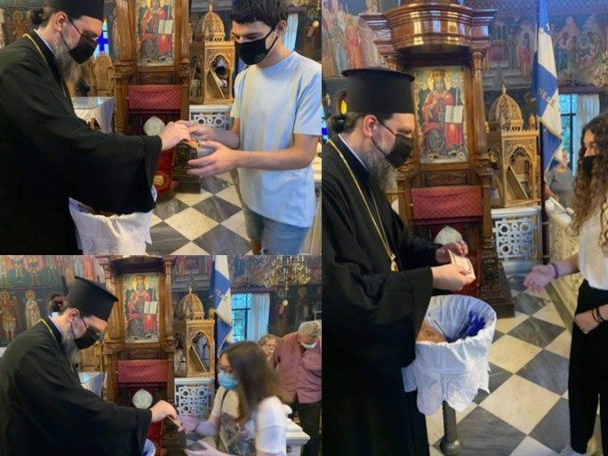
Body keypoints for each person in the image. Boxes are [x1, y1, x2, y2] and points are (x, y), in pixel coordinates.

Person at [321, 68, 475, 455]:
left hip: (386, 345)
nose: (408, 145)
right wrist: (431, 278)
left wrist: (435, 254)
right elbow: (345, 295)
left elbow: (397, 242)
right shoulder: (330, 181)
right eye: (403, 133)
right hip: (359, 370)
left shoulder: (365, 170)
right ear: (371, 125)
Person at [0, 0, 191, 254]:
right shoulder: (17, 69)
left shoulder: (42, 61)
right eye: (88, 36)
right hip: (20, 221)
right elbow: (71, 144)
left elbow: (62, 133)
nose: (91, 47)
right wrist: (157, 142)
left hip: (35, 202)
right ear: (61, 21)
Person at [525, 108, 608, 456]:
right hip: (589, 300)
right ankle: (578, 447)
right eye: (585, 147)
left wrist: (598, 316)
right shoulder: (600, 199)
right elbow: (591, 257)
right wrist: (554, 270)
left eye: (593, 148)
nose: (586, 155)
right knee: (582, 387)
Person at [181, 0, 321, 255]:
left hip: (287, 206)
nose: (243, 44)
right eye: (237, 37)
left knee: (274, 268)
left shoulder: (308, 75)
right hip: (252, 196)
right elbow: (237, 136)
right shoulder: (244, 77)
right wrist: (210, 132)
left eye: (252, 37)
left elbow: (303, 155)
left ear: (280, 28)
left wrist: (236, 159)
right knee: (256, 255)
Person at [0, 277, 180, 455]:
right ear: (73, 315)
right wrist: (148, 415)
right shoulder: (35, 349)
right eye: (92, 330)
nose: (93, 339)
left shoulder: (53, 342)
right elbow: (77, 409)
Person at [179, 342, 289, 456]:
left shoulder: (270, 408)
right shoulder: (225, 391)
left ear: (249, 372)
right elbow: (212, 427)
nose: (223, 375)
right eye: (222, 369)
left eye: (230, 370)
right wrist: (196, 425)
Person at [273, 321, 321, 456]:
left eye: (311, 342)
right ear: (299, 335)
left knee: (311, 433)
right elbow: (271, 364)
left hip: (312, 396)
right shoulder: (286, 341)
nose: (307, 344)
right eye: (304, 341)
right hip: (286, 393)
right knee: (279, 430)